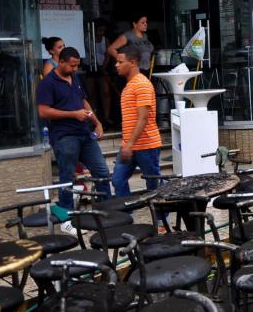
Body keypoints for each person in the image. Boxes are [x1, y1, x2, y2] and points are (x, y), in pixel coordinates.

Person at [36, 47, 109, 233]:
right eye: (72, 65)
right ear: (61, 62)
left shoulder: (74, 78)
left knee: (101, 170)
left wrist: (97, 122)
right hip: (64, 135)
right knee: (67, 176)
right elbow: (43, 111)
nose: (75, 69)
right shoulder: (48, 83)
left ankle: (107, 211)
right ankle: (66, 219)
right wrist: (72, 114)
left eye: (77, 65)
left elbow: (83, 102)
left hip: (84, 133)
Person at [112, 46, 163, 200]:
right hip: (129, 144)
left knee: (153, 183)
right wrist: (127, 144)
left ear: (133, 62)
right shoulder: (130, 85)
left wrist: (129, 144)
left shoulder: (142, 84)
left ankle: (161, 219)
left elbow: (143, 118)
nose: (116, 65)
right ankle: (127, 216)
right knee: (117, 180)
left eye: (120, 62)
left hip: (146, 145)